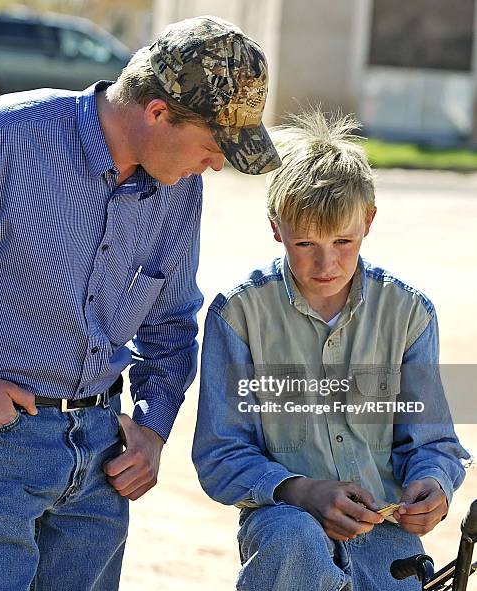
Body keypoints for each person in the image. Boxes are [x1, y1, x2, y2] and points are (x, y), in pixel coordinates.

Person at [0, 16, 280, 591]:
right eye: (213, 147)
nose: (215, 165)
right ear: (157, 112)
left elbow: (171, 315)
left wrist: (155, 424)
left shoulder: (180, 184)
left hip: (102, 463)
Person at [192, 110, 470, 591]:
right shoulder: (237, 316)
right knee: (293, 535)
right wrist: (302, 491)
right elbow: (221, 453)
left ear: (369, 221)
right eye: (306, 243)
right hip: (284, 529)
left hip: (385, 536)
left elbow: (433, 444)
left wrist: (434, 486)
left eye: (343, 240)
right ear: (276, 228)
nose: (327, 263)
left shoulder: (410, 314)